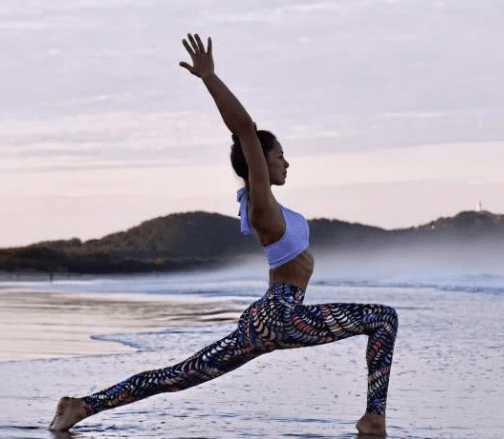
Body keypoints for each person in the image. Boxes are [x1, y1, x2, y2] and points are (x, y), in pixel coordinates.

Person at [50, 34, 398, 436]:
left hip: (265, 318)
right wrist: (209, 78)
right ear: (261, 162)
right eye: (279, 154)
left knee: (179, 375)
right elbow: (245, 129)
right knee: (383, 318)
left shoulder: (273, 208)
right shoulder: (261, 203)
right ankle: (374, 419)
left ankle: (81, 405)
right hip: (282, 316)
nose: (287, 161)